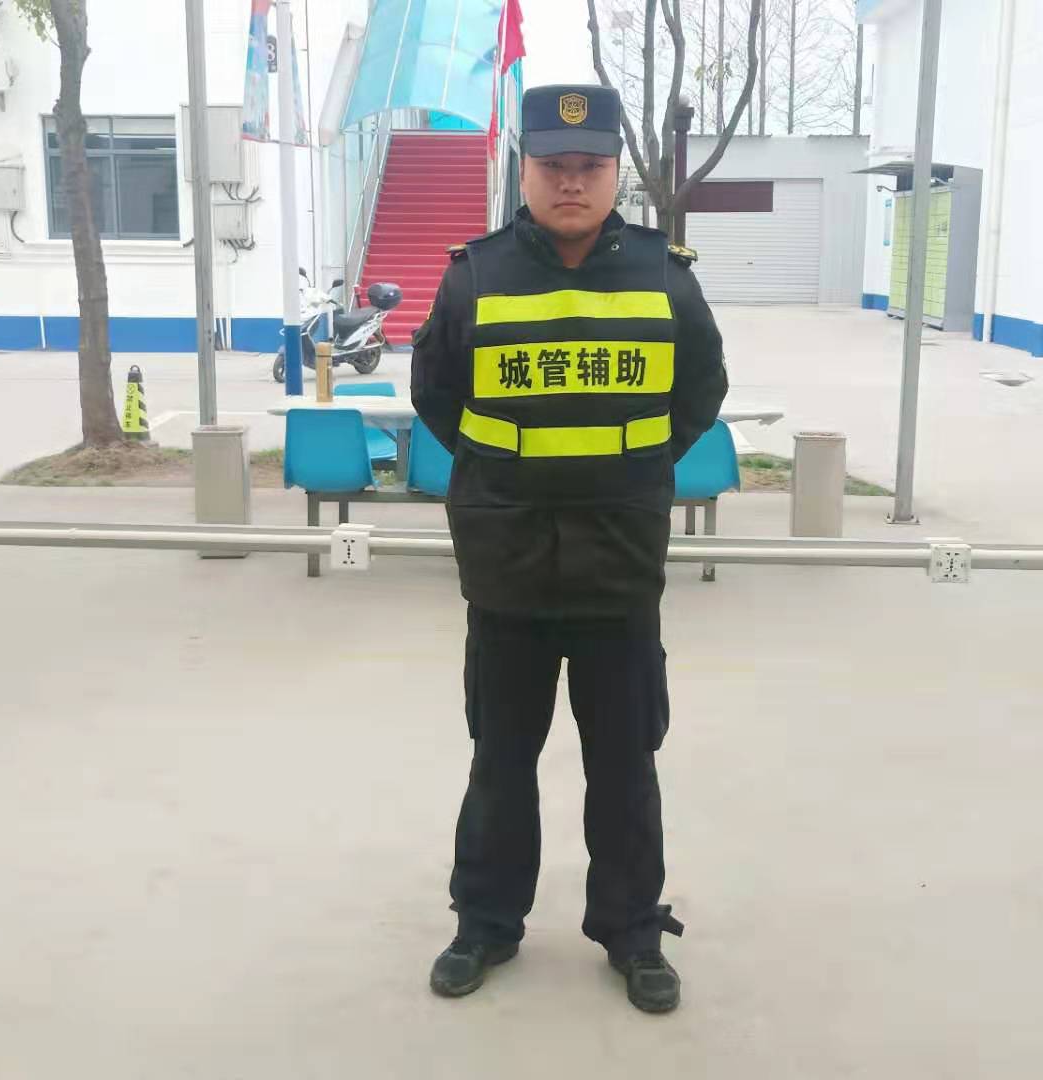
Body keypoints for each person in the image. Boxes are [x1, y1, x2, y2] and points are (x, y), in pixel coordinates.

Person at [410, 83, 728, 1014]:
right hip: (507, 565)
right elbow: (436, 394)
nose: (572, 182)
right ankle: (485, 923)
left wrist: (628, 468)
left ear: (617, 171)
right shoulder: (474, 277)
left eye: (590, 166)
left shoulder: (666, 278)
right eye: (554, 165)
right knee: (500, 762)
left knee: (625, 767)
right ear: (526, 171)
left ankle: (632, 931)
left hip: (617, 567)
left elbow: (700, 392)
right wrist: (511, 473)